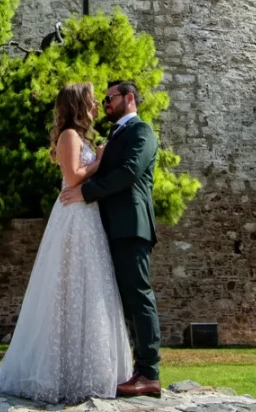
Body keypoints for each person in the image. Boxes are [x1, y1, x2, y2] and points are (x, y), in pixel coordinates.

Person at [0, 83, 134, 404]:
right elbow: (73, 175)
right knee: (67, 288)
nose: (98, 103)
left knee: (91, 288)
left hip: (88, 217)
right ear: (79, 104)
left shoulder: (84, 138)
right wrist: (101, 160)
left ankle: (88, 369)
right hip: (73, 218)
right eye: (93, 99)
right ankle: (57, 370)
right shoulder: (69, 136)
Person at [68, 80, 164, 398]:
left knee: (139, 297)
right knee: (119, 302)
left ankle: (149, 373)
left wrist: (86, 192)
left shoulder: (142, 131)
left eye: (111, 99)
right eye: (105, 100)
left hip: (131, 227)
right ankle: (128, 369)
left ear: (130, 98)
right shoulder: (114, 135)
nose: (106, 104)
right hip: (109, 228)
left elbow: (129, 171)